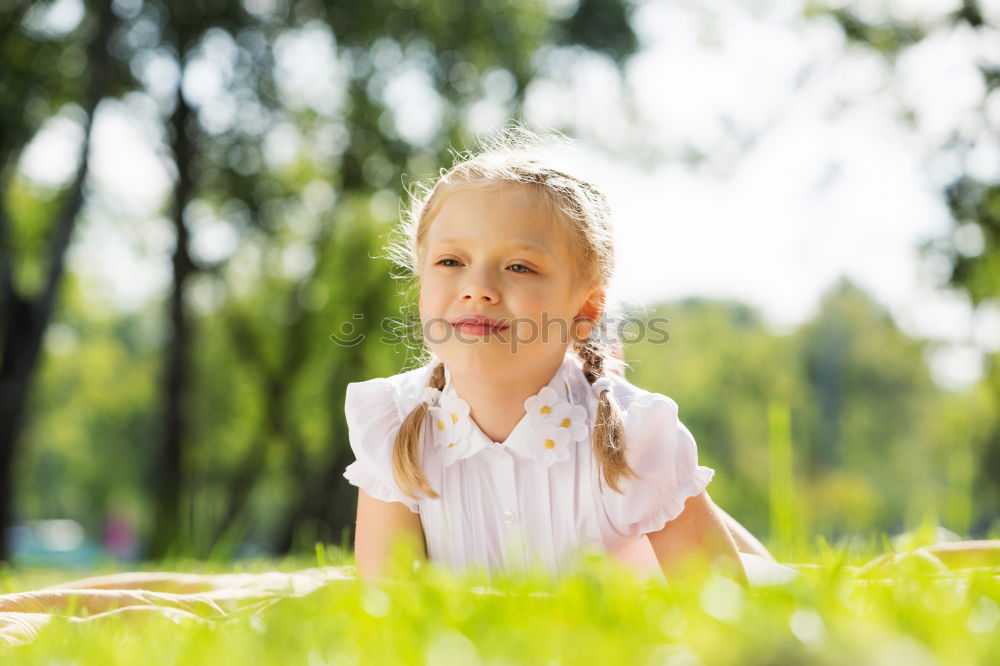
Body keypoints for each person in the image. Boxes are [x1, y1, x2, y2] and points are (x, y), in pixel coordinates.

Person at [344, 127, 791, 586]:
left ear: (585, 310)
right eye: (450, 262)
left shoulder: (635, 435)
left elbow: (723, 599)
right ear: (421, 288)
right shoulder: (393, 423)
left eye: (519, 266)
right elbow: (390, 601)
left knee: (769, 578)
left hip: (639, 589)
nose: (477, 287)